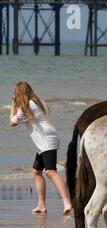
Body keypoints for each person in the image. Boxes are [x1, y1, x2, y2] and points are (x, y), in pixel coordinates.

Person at [9, 82, 72, 215]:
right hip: (46, 140)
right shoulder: (38, 102)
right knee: (36, 171)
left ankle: (67, 202)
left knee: (50, 171)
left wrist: (13, 105)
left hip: (46, 141)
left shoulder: (26, 106)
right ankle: (41, 205)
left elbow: (12, 122)